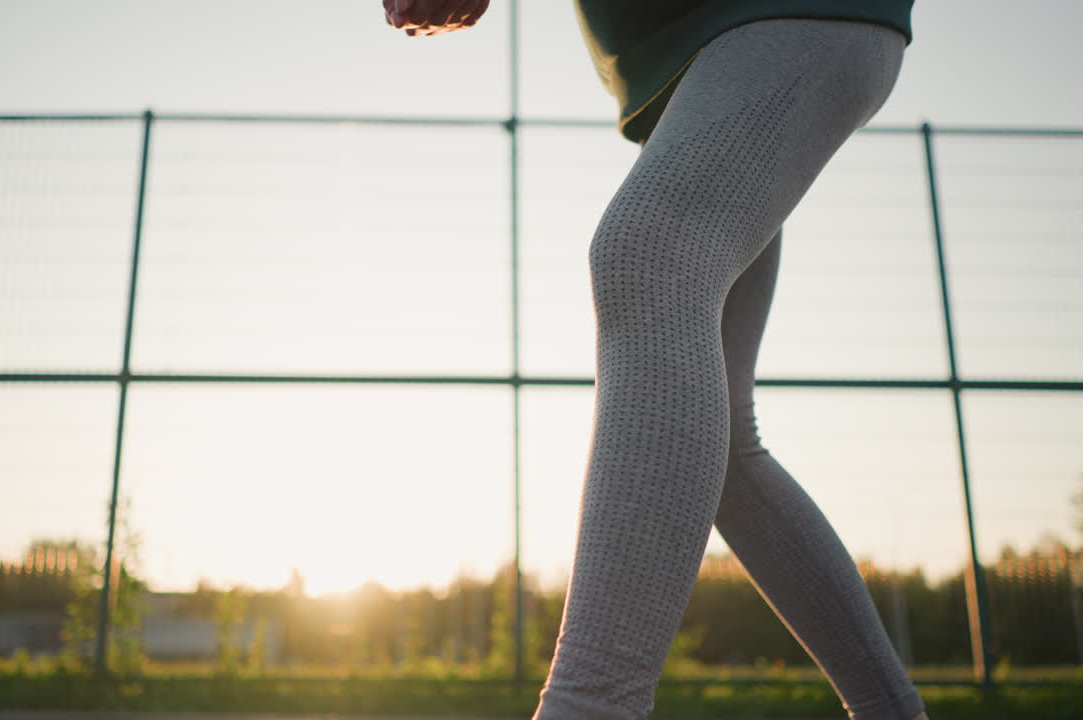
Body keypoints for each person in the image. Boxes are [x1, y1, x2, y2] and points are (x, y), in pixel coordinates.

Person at [381, 2, 930, 719]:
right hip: (707, 57)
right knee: (726, 454)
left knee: (651, 254)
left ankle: (589, 707)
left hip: (780, 14)